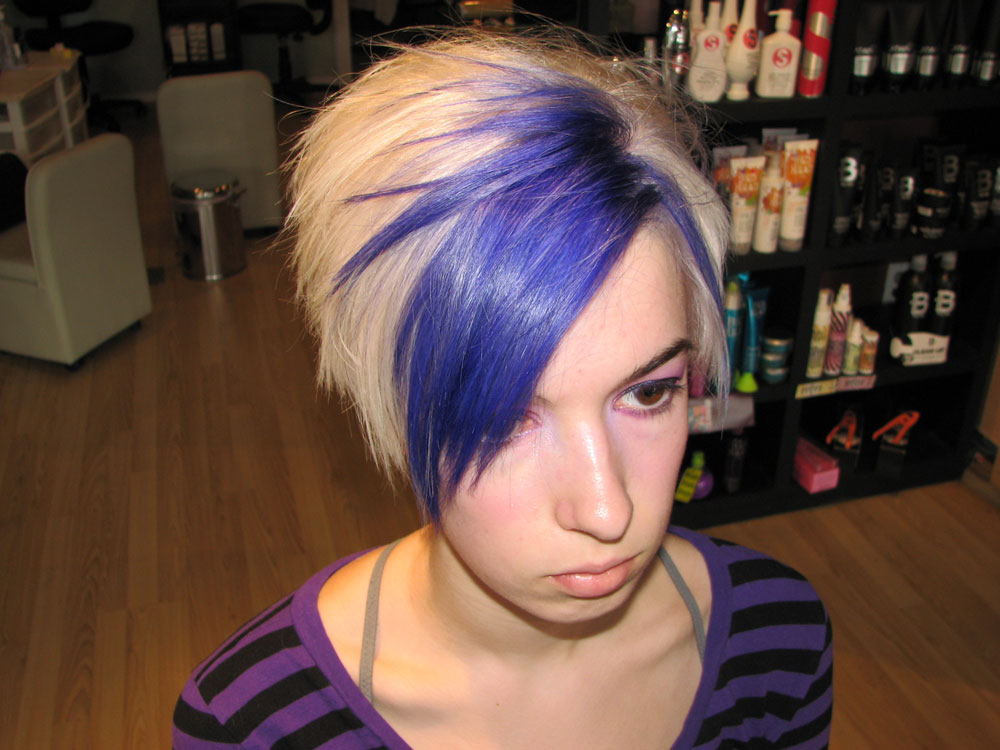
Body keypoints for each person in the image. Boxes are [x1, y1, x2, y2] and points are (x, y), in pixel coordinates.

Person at [173, 26, 832, 749]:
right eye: (507, 415)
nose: (607, 511)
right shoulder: (253, 725)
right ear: (389, 397)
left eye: (648, 393)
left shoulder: (779, 643)